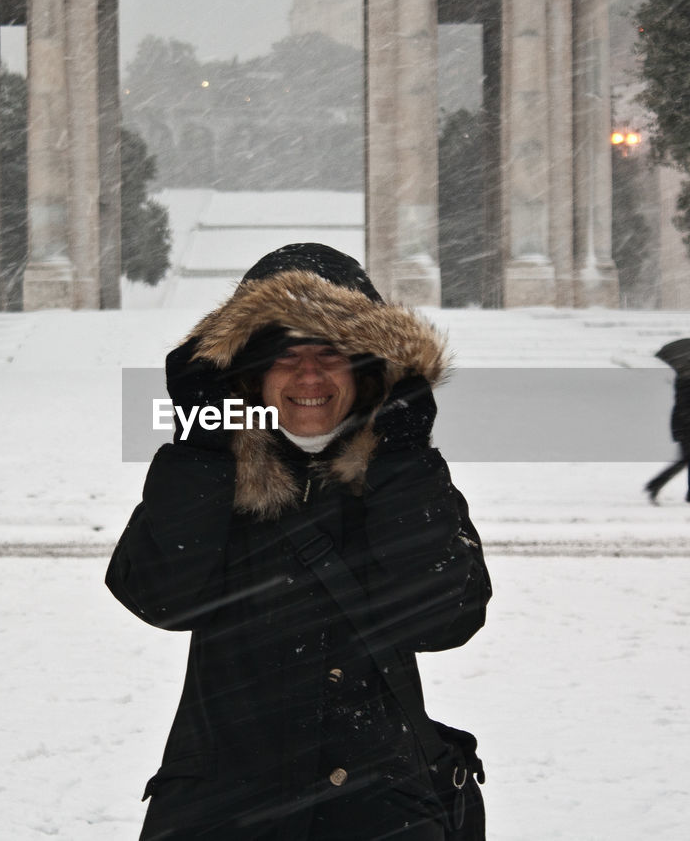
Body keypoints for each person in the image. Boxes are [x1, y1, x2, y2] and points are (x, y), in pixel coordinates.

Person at [107, 243, 492, 840]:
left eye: (331, 354)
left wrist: (403, 458)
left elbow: (446, 620)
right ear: (248, 372)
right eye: (285, 355)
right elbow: (161, 597)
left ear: (368, 371)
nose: (309, 375)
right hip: (224, 813)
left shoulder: (401, 473)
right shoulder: (210, 470)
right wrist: (202, 444)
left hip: (379, 812)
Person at [645, 376, 690, 506]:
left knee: (687, 460)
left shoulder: (687, 378)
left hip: (684, 425)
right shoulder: (688, 380)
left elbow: (688, 401)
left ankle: (657, 485)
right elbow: (688, 405)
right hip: (685, 426)